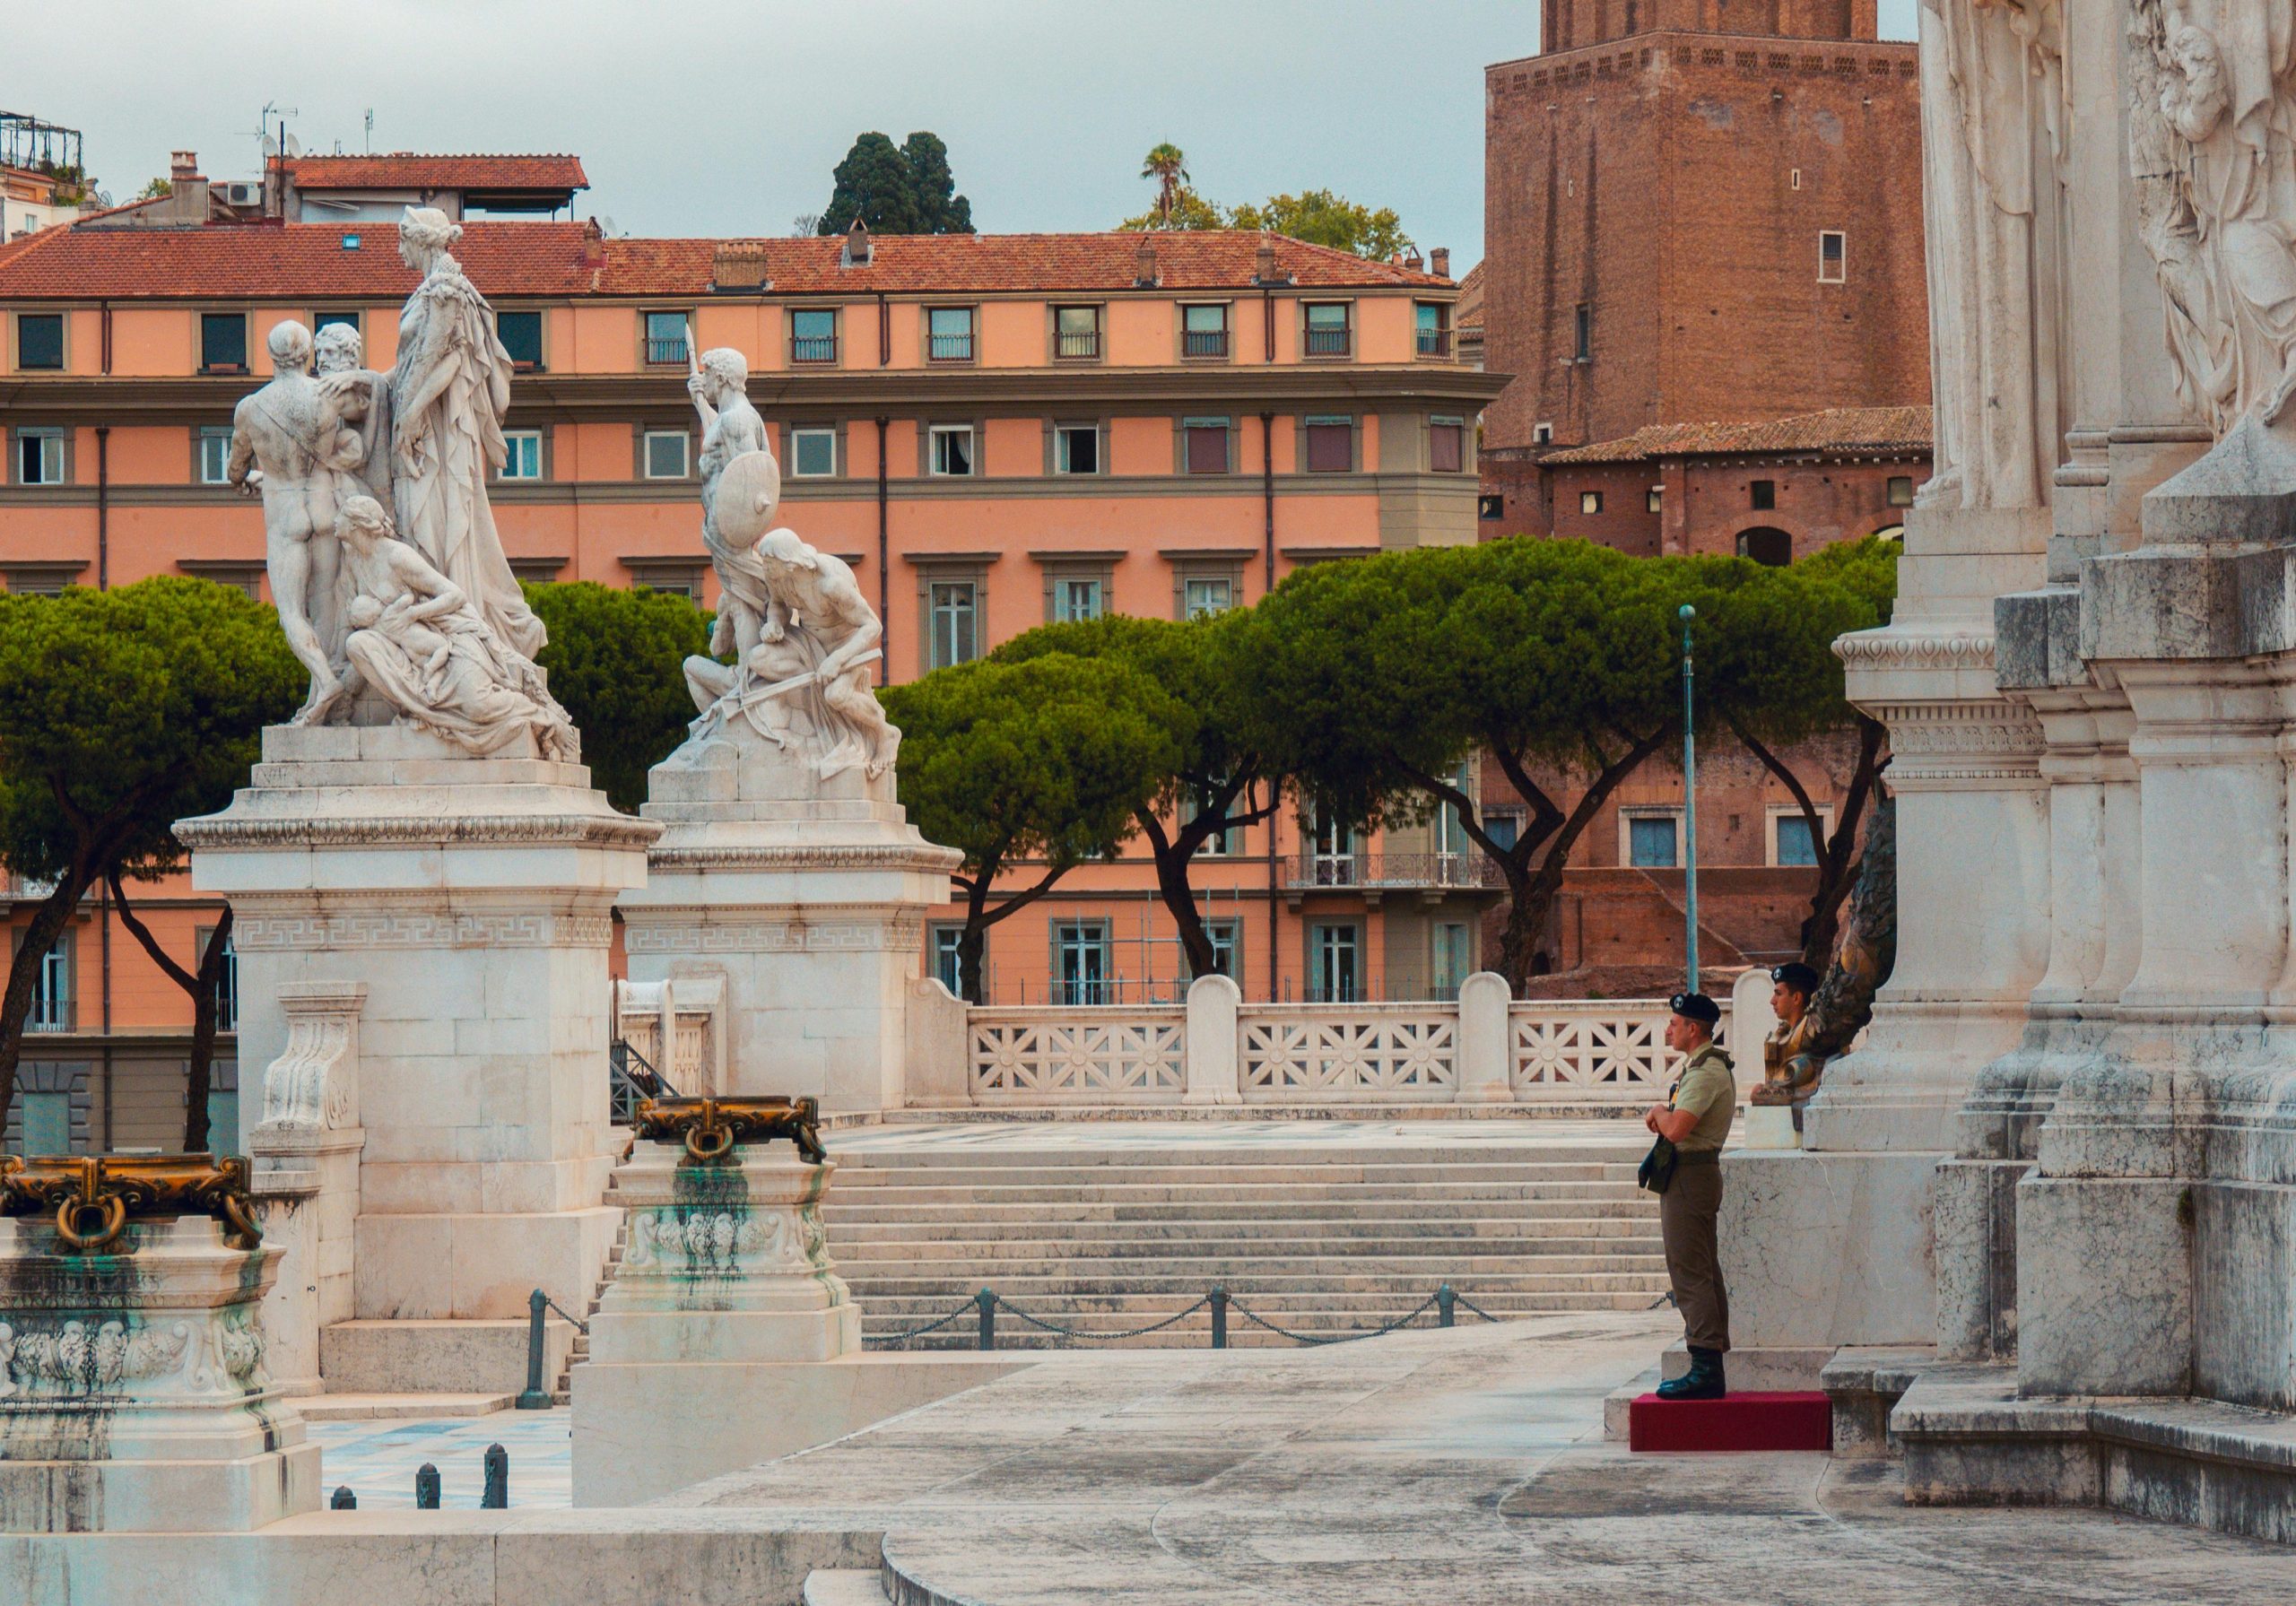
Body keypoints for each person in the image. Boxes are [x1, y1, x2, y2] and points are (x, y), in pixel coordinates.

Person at [1643, 991, 1735, 1401]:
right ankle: (1708, 1361)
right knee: (1701, 1270)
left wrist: (1659, 1113)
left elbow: (1677, 1129)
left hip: (1691, 1177)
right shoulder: (1699, 1068)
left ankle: (1704, 1368)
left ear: (1693, 1029)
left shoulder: (1706, 1071)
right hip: (1689, 1175)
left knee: (1690, 1272)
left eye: (1674, 1023)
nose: (1669, 1029)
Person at [1756, 961, 1825, 1128]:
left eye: (1779, 994)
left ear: (1796, 998)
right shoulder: (1783, 1034)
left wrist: (1763, 1093)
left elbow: (1809, 1089)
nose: (1772, 1001)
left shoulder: (1811, 1037)